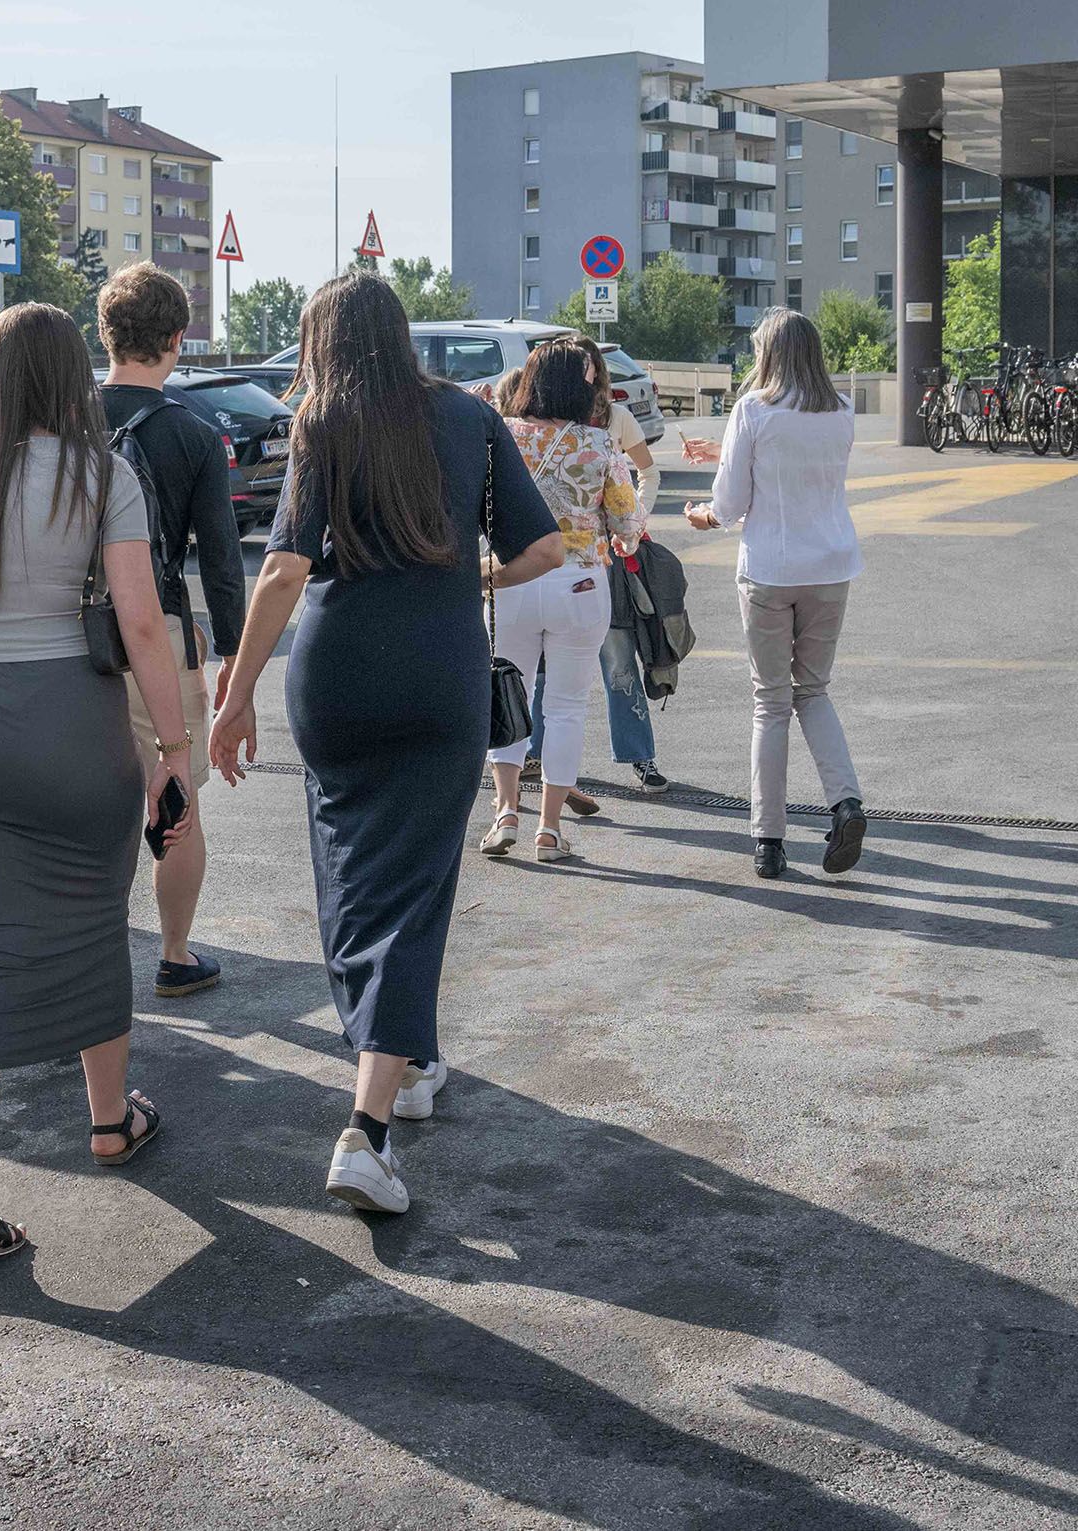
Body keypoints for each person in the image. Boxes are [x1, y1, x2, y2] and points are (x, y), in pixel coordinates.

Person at [209, 273, 562, 1216]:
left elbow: (283, 569)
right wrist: (467, 573)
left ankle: (409, 1064)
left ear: (321, 341)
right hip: (439, 673)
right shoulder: (469, 416)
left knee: (355, 876)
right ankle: (367, 1129)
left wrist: (234, 695)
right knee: (416, 889)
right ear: (403, 335)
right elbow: (544, 551)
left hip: (338, 678)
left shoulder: (322, 424)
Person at [0, 302, 194, 1258]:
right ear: (71, 378)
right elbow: (143, 625)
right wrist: (176, 750)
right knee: (94, 920)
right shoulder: (104, 475)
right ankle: (110, 1121)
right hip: (77, 732)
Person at [96, 264, 246, 999]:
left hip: (74, 640)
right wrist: (233, 661)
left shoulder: (65, 420)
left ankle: (88, 961)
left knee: (89, 811)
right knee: (176, 795)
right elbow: (222, 564)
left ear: (106, 333)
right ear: (179, 340)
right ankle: (177, 954)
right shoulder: (193, 433)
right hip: (160, 633)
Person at [686, 308, 867, 880]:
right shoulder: (841, 410)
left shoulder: (753, 408)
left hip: (769, 570)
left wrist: (704, 516)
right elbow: (806, 466)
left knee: (771, 701)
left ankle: (768, 839)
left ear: (769, 354)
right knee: (813, 691)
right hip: (832, 567)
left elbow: (732, 503)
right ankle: (846, 803)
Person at [483, 336, 648, 862]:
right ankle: (549, 830)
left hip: (510, 581)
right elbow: (626, 524)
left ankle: (506, 811)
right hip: (579, 584)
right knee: (567, 707)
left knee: (508, 691)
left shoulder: (502, 437)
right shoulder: (600, 446)